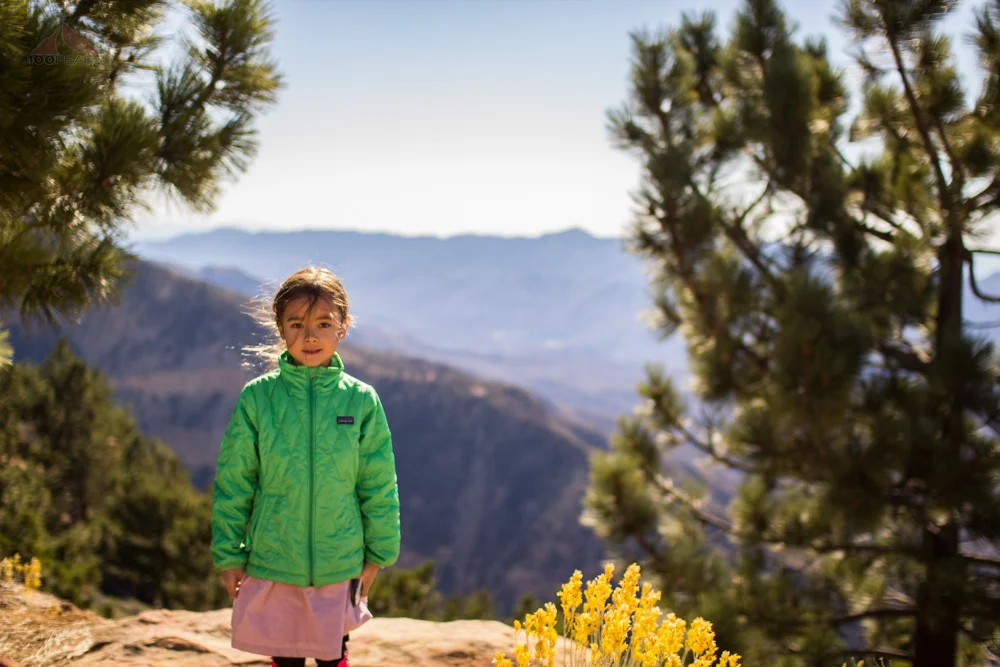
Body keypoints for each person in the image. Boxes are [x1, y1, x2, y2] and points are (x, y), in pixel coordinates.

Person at [211, 267, 401, 667]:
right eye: (296, 324)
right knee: (286, 657)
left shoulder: (361, 402)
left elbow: (378, 485)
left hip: (339, 560)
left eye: (323, 323)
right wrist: (229, 554)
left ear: (343, 327)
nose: (310, 336)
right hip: (274, 559)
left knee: (334, 656)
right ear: (280, 328)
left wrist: (378, 554)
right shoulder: (258, 399)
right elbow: (235, 482)